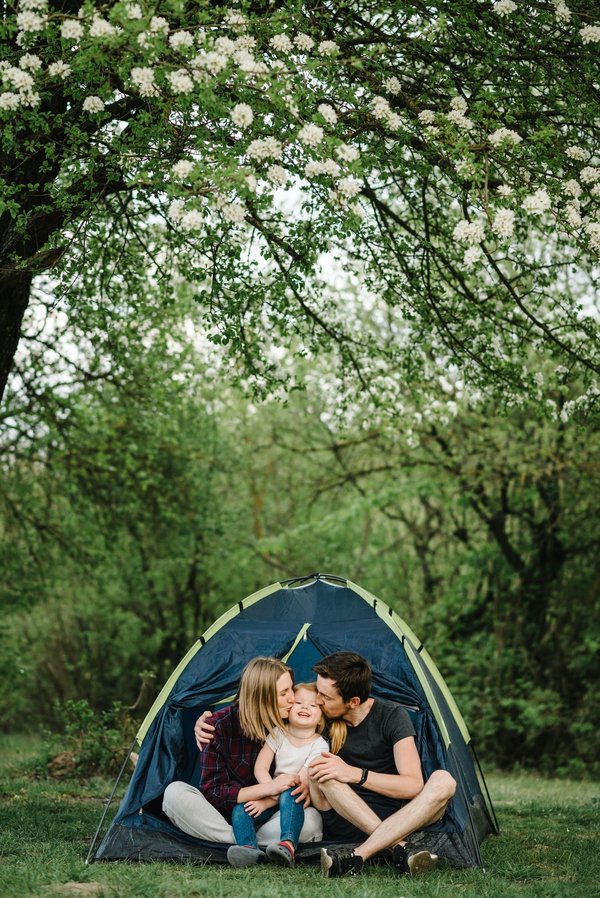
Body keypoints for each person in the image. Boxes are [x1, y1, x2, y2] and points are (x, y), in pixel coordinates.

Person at [308, 651, 457, 877]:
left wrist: (355, 774)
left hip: (398, 815)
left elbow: (413, 785)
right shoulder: (319, 717)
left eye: (326, 697)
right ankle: (400, 848)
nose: (317, 700)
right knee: (322, 771)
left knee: (444, 781)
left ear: (353, 702)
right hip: (346, 817)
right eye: (318, 691)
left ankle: (358, 855)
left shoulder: (391, 716)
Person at [162, 657, 323, 866]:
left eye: (291, 689)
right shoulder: (217, 726)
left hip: (273, 818)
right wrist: (269, 787)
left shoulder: (294, 720)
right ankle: (244, 842)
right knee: (174, 794)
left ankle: (246, 847)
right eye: (284, 693)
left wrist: (304, 785)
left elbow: (324, 726)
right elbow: (214, 793)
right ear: (262, 698)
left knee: (312, 820)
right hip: (222, 818)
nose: (293, 698)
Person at [229, 682, 329, 868]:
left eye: (313, 705)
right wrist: (268, 792)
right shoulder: (278, 734)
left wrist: (267, 800)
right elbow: (260, 768)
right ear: (289, 710)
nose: (305, 707)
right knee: (241, 810)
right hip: (272, 792)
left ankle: (287, 844)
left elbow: (299, 782)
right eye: (299, 703)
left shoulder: (320, 745)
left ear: (321, 717)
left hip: (295, 801)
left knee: (291, 791)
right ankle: (249, 849)